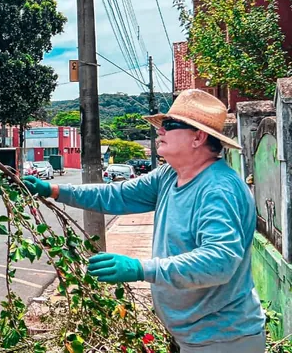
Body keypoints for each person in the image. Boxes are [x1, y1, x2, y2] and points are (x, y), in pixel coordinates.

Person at [24, 89, 265, 353]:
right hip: (191, 336)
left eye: (170, 125)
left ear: (198, 136)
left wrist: (140, 268)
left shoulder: (218, 190)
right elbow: (117, 195)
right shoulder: (169, 176)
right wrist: (55, 190)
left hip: (223, 341)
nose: (160, 131)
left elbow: (220, 261)